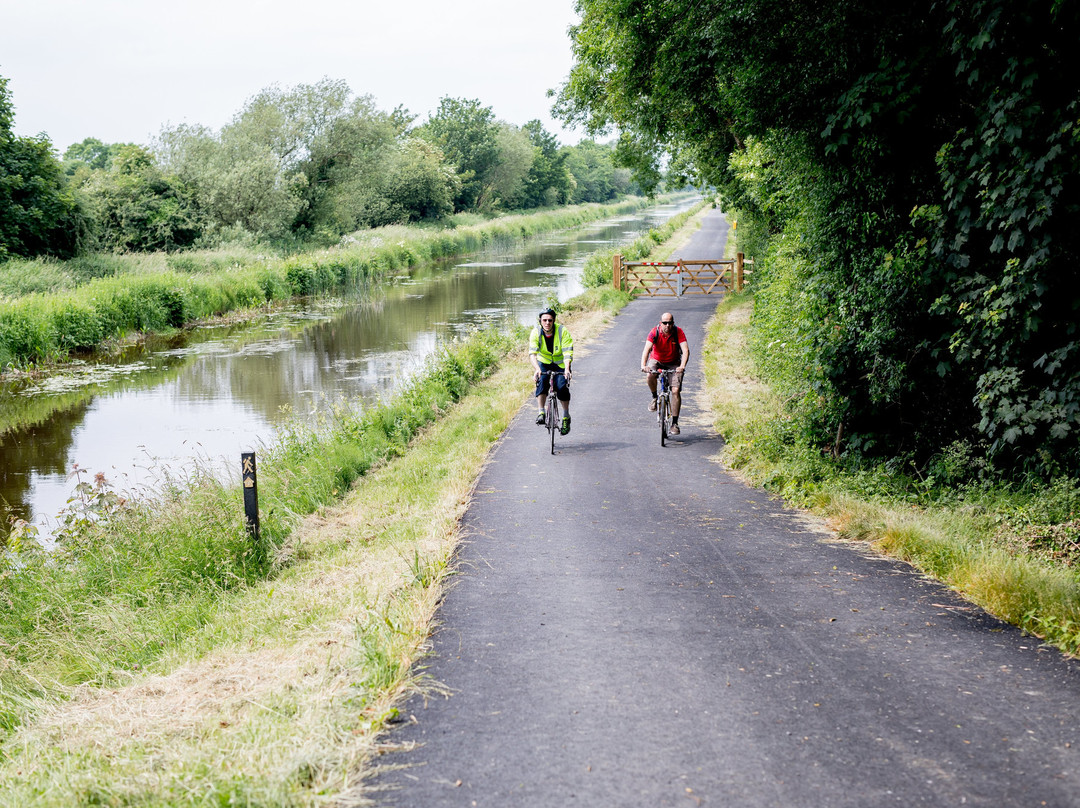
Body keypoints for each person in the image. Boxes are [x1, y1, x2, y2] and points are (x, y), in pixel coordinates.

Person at [640, 311, 688, 435]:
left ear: (673, 323)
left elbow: (685, 350)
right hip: (657, 360)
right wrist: (643, 365)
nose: (667, 325)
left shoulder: (678, 332)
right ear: (660, 323)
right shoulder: (654, 332)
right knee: (650, 374)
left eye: (670, 323)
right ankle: (654, 398)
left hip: (674, 362)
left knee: (675, 391)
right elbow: (647, 349)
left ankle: (675, 423)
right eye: (665, 323)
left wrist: (682, 366)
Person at [529, 307, 573, 435]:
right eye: (544, 320)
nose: (547, 323)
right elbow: (532, 354)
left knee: (562, 387)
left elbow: (567, 353)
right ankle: (541, 412)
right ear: (540, 321)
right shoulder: (535, 332)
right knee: (542, 381)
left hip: (560, 364)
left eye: (550, 320)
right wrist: (537, 369)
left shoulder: (562, 331)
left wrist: (567, 369)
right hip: (544, 362)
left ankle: (566, 417)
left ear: (554, 320)